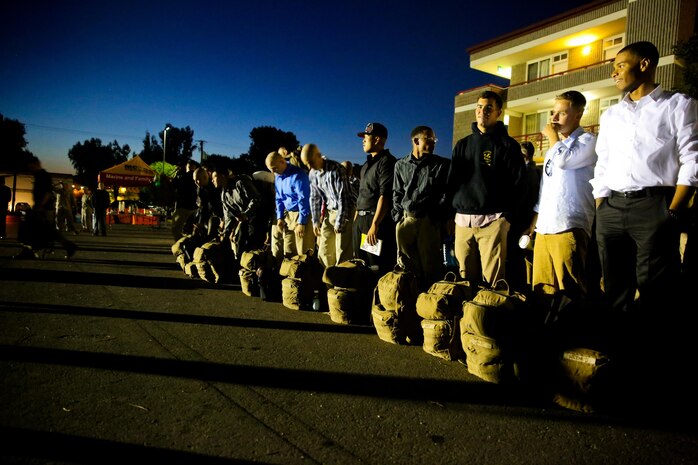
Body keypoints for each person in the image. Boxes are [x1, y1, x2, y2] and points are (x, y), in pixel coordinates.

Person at [590, 41, 698, 316]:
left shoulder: (678, 105)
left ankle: (648, 352)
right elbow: (603, 161)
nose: (614, 73)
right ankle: (616, 352)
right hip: (611, 209)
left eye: (620, 66)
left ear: (645, 64)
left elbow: (692, 159)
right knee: (614, 289)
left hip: (654, 206)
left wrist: (673, 211)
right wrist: (601, 206)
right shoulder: (611, 115)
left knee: (656, 290)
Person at [446, 90, 527, 287]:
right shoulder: (462, 144)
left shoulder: (507, 145)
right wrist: (449, 215)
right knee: (465, 280)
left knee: (493, 282)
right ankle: (469, 318)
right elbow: (452, 181)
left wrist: (506, 218)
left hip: (493, 221)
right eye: (480, 107)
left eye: (489, 107)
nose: (483, 111)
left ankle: (492, 317)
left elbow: (519, 183)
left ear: (498, 112)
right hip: (463, 222)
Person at [524, 90, 597, 303]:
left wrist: (553, 138)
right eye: (553, 113)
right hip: (545, 227)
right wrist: (533, 224)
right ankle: (548, 331)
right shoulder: (554, 149)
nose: (554, 119)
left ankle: (573, 333)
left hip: (569, 225)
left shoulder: (588, 141)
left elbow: (565, 161)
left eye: (561, 114)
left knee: (571, 288)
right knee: (543, 289)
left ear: (578, 115)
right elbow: (545, 189)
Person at [392, 126, 450, 289]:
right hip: (406, 220)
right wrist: (398, 217)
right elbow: (397, 192)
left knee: (431, 266)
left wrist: (437, 219)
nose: (433, 143)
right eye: (429, 139)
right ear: (416, 141)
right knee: (406, 264)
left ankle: (429, 305)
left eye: (434, 140)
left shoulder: (441, 165)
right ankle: (408, 302)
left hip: (429, 221)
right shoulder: (401, 165)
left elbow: (447, 194)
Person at [300, 143, 355, 268]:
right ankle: (327, 283)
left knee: (341, 250)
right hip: (329, 213)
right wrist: (315, 221)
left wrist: (340, 221)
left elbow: (344, 197)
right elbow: (314, 198)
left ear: (319, 156)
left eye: (311, 162)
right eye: (306, 164)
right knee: (324, 250)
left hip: (344, 212)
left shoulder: (337, 169)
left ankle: (341, 284)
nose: (309, 166)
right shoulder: (313, 173)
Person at [353, 122, 397, 275]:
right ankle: (362, 297)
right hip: (361, 221)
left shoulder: (387, 162)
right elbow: (363, 193)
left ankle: (377, 297)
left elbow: (385, 195)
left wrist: (375, 224)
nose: (363, 140)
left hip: (374, 220)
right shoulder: (366, 164)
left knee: (375, 265)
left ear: (377, 139)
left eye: (366, 137)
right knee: (360, 262)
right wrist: (356, 217)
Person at [14, 156, 77, 259]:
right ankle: (68, 246)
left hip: (43, 208)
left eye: (31, 166)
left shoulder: (43, 176)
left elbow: (47, 193)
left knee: (38, 230)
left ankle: (29, 250)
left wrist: (40, 207)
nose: (30, 169)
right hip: (42, 208)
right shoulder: (40, 175)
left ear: (35, 164)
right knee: (45, 231)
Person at [265, 150, 316, 258]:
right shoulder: (278, 176)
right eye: (270, 170)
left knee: (303, 252)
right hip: (288, 215)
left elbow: (304, 199)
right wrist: (280, 217)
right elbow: (279, 198)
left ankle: (306, 274)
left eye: (275, 168)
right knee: (288, 251)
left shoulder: (298, 175)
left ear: (282, 162)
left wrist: (302, 222)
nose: (273, 172)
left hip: (301, 214)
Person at [507, 140, 542, 292]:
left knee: (519, 260)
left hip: (521, 222)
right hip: (529, 222)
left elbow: (523, 199)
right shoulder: (536, 172)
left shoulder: (526, 172)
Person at [211, 168, 266, 262]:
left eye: (214, 177)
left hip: (258, 215)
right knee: (238, 242)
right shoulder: (224, 194)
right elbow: (228, 215)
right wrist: (225, 233)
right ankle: (241, 268)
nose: (212, 180)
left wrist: (246, 213)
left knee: (252, 243)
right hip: (244, 220)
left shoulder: (240, 182)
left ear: (222, 176)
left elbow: (256, 199)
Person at [171, 159, 199, 241]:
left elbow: (174, 184)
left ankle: (182, 244)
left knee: (177, 229)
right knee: (189, 229)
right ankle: (187, 244)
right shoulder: (196, 178)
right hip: (193, 207)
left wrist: (176, 174)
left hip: (182, 206)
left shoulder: (183, 177)